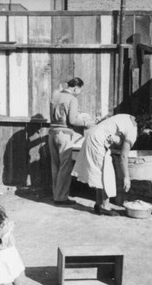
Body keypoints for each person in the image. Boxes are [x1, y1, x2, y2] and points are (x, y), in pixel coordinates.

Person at [72, 113, 152, 216]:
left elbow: (115, 131)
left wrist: (115, 139)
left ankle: (99, 204)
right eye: (149, 131)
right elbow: (123, 156)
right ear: (145, 126)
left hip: (93, 136)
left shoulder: (129, 117)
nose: (148, 133)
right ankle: (105, 206)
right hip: (98, 141)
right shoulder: (132, 131)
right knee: (106, 174)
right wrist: (127, 177)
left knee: (100, 173)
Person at [49, 77, 95, 205]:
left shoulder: (55, 96)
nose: (79, 93)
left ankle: (56, 195)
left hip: (52, 133)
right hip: (64, 134)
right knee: (65, 166)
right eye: (80, 90)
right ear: (76, 88)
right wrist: (87, 122)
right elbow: (72, 121)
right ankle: (61, 198)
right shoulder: (72, 99)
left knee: (55, 166)